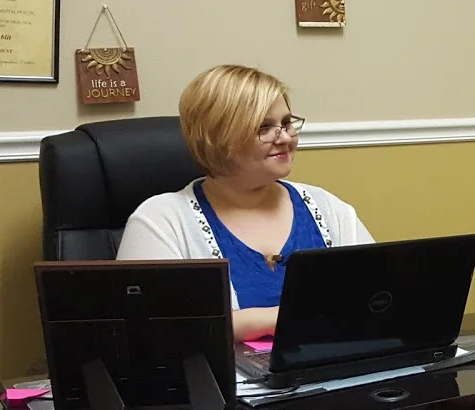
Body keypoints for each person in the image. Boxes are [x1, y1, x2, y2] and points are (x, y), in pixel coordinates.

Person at [116, 64, 373, 341]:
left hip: (335, 365)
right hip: (222, 371)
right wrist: (276, 319)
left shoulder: (327, 208)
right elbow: (150, 329)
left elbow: (378, 297)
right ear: (218, 139)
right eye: (264, 127)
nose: (286, 137)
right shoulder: (162, 221)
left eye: (287, 123)